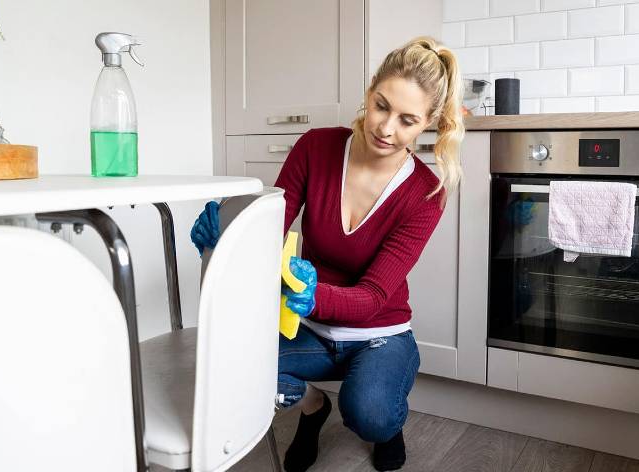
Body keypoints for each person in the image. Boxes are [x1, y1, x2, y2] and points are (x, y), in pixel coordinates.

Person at [190, 36, 464, 471]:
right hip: (308, 329)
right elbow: (269, 233)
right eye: (381, 105)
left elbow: (374, 296)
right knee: (227, 363)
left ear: (429, 122)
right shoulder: (315, 148)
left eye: (407, 120)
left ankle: (385, 423)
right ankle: (314, 406)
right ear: (370, 89)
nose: (386, 128)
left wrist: (316, 295)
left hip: (380, 333)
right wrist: (225, 237)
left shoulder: (424, 194)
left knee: (370, 413)